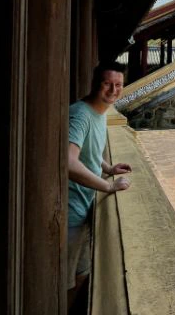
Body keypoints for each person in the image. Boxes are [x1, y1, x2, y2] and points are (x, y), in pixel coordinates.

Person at [67, 61, 132, 303]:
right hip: (70, 214)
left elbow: (88, 154)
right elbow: (68, 162)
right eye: (107, 84)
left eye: (118, 85)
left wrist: (108, 168)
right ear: (96, 84)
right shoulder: (81, 114)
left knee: (81, 275)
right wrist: (108, 185)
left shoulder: (101, 112)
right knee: (65, 283)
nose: (113, 90)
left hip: (85, 208)